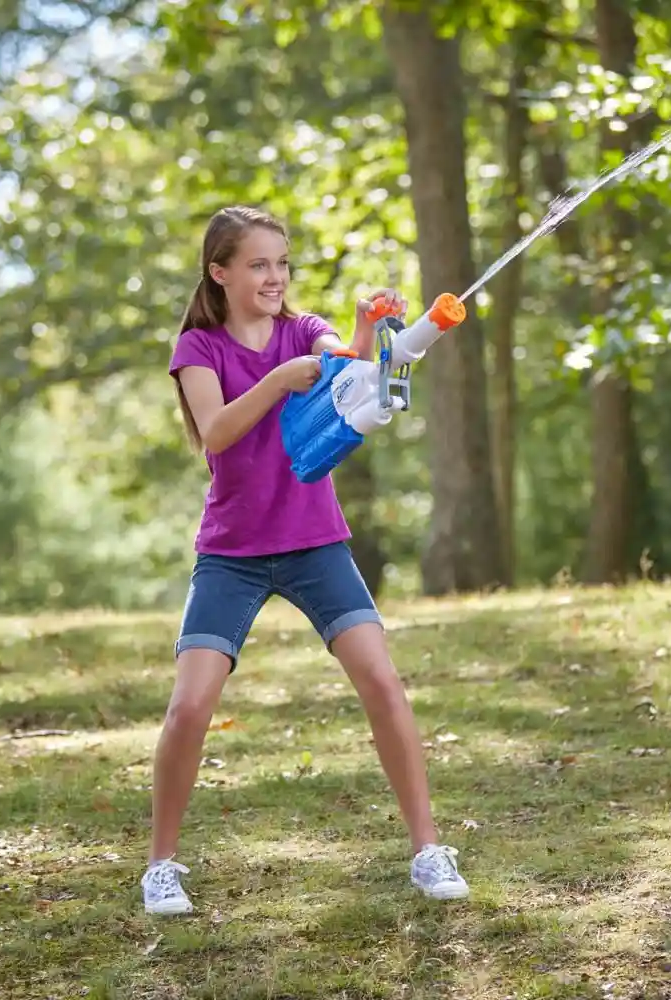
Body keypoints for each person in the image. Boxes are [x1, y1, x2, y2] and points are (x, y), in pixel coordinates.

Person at [141, 205, 469, 916]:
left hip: (316, 541)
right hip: (232, 553)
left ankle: (427, 850)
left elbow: (346, 370)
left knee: (382, 680)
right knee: (191, 705)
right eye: (258, 264)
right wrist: (278, 380)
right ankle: (161, 866)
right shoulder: (199, 347)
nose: (274, 276)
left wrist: (358, 329)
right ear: (219, 271)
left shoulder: (303, 329)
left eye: (281, 264)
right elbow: (218, 432)